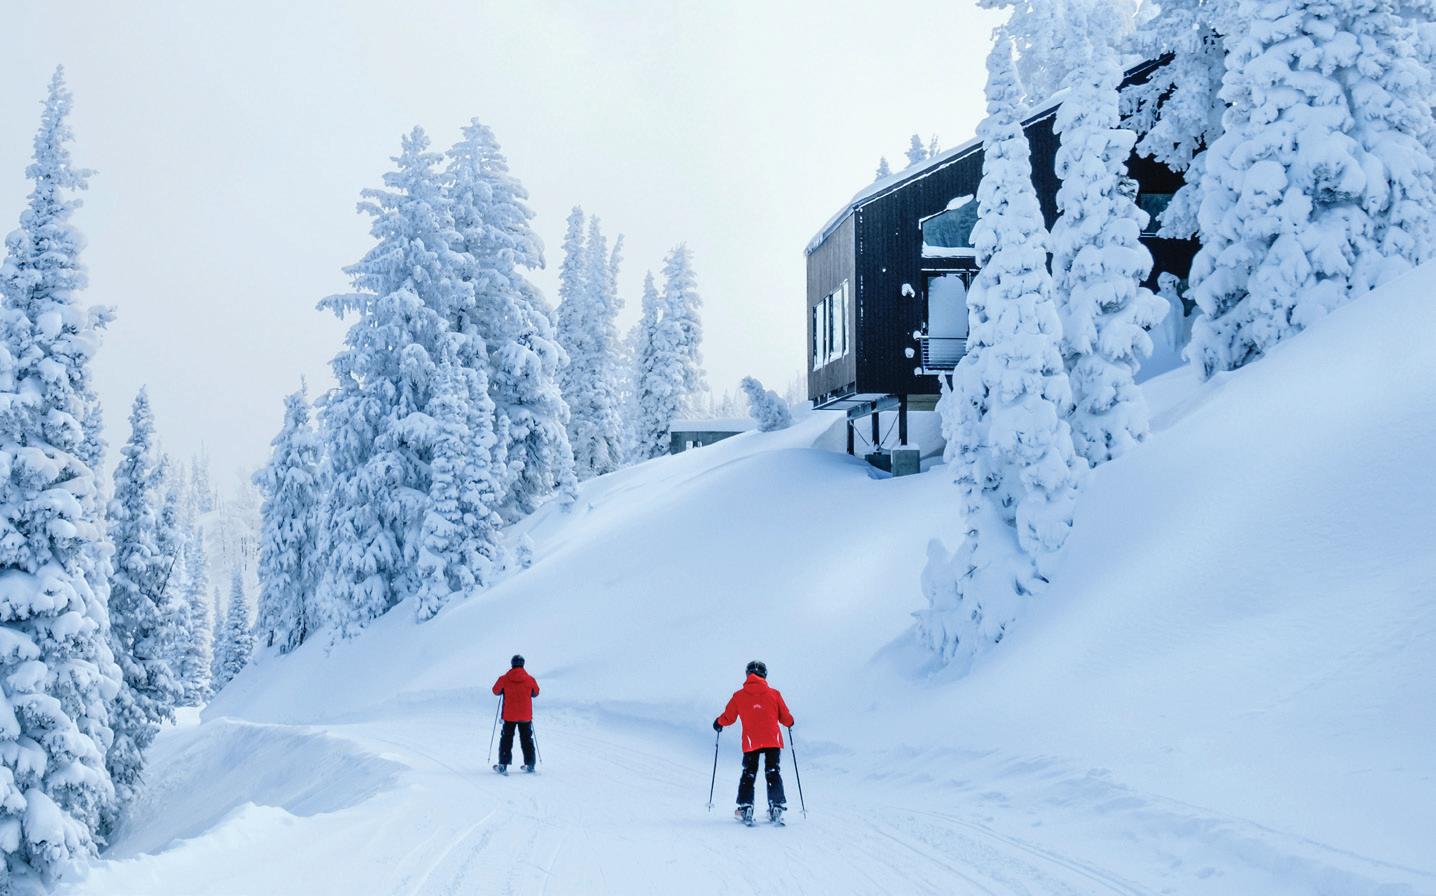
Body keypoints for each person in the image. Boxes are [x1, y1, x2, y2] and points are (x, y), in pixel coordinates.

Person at [713, 660, 794, 824]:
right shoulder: (774, 694)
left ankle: (746, 807)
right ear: (765, 675)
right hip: (772, 740)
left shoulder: (739, 696)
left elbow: (729, 717)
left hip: (751, 741)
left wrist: (718, 723)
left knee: (749, 773)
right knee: (773, 771)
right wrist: (790, 722)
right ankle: (776, 806)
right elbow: (786, 718)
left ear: (747, 674)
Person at [492, 654, 540, 774]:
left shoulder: (504, 678)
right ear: (523, 664)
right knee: (527, 739)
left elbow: (495, 691)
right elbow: (536, 693)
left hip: (509, 716)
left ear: (512, 664)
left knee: (506, 739)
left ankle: (503, 765)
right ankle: (530, 765)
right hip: (525, 716)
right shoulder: (530, 679)